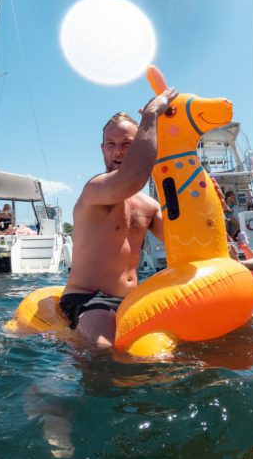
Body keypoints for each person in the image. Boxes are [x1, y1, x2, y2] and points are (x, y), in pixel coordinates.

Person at [60, 86, 178, 348]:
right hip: (87, 298)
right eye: (111, 144)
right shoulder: (96, 190)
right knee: (105, 349)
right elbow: (133, 178)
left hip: (132, 299)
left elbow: (180, 240)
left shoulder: (148, 205)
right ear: (102, 148)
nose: (119, 152)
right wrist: (150, 116)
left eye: (128, 144)